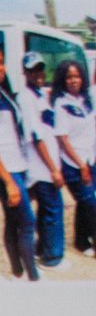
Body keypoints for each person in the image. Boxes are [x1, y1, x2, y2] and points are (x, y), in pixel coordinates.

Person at [0, 45, 41, 282]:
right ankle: (33, 277)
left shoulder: (2, 91)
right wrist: (7, 181)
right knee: (28, 222)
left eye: (1, 62)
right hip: (6, 169)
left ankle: (18, 272)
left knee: (12, 221)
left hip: (17, 164)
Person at [18, 54, 68, 269]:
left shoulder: (39, 95)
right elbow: (36, 137)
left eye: (40, 69)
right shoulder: (27, 98)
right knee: (53, 210)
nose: (38, 74)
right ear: (25, 73)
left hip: (47, 164)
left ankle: (42, 249)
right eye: (33, 70)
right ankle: (52, 257)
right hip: (41, 167)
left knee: (47, 210)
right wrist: (53, 169)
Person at [50, 60, 95, 257]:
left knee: (86, 202)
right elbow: (62, 138)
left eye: (76, 76)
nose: (73, 80)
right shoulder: (61, 104)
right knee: (90, 202)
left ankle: (81, 241)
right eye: (69, 77)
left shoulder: (86, 101)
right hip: (73, 163)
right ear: (63, 80)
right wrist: (81, 165)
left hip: (90, 158)